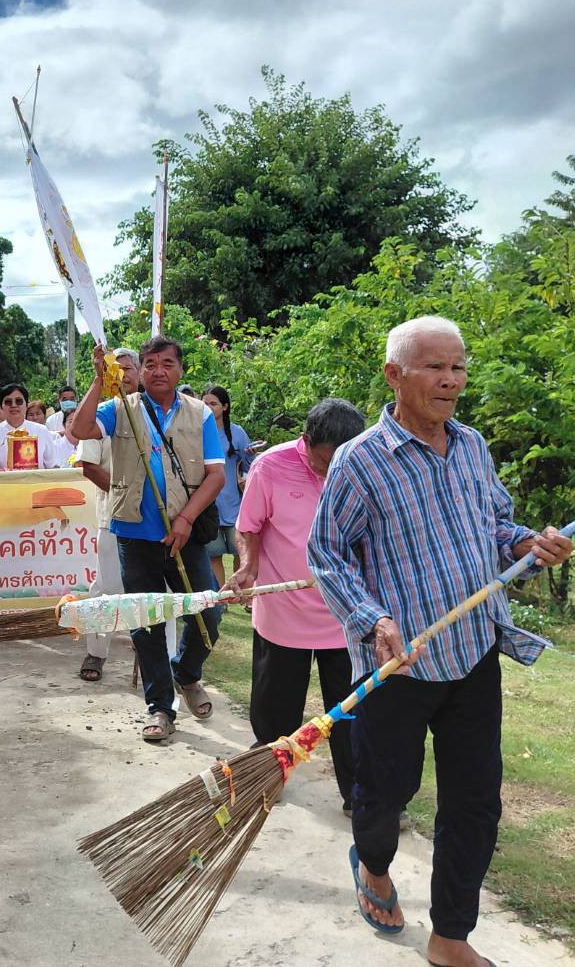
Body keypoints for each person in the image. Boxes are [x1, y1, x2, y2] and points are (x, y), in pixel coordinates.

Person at [308, 316, 574, 966]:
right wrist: (373, 620)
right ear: (394, 375)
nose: (450, 379)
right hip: (398, 666)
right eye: (434, 366)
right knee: (383, 798)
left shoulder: (472, 446)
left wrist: (529, 548)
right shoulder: (359, 460)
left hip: (474, 655)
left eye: (457, 366)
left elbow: (497, 531)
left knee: (475, 801)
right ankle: (371, 866)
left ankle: (449, 936)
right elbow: (326, 553)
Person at [71, 337, 226, 742]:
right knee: (146, 621)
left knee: (208, 610)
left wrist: (186, 520)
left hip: (184, 535)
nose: (159, 370)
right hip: (134, 532)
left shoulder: (199, 414)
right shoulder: (120, 408)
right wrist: (97, 380)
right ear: (137, 370)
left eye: (167, 363)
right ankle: (160, 708)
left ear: (180, 369)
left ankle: (187, 674)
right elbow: (80, 430)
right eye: (151, 364)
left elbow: (216, 475)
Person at [225, 398, 367, 815]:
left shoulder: (364, 467)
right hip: (283, 610)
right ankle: (267, 777)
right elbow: (248, 528)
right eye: (325, 461)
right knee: (274, 710)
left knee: (352, 712)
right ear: (306, 441)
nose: (332, 471)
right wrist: (249, 567)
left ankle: (360, 795)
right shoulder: (270, 466)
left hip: (346, 613)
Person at [75, 348, 139, 682]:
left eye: (131, 368)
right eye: (119, 369)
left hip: (153, 520)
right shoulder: (103, 413)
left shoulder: (153, 411)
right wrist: (124, 495)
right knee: (109, 587)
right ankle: (96, 651)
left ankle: (157, 654)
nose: (125, 374)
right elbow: (88, 465)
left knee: (154, 588)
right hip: (113, 517)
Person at [201, 385, 254, 585]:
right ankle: (219, 600)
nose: (208, 407)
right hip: (207, 504)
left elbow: (250, 466)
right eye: (204, 403)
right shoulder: (196, 431)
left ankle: (239, 594)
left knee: (240, 551)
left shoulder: (237, 433)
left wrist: (248, 454)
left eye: (213, 404)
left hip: (234, 503)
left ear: (225, 407)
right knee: (213, 555)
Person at [0, 383, 60, 471]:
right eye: (8, 402)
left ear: (26, 405)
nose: (13, 405)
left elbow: (53, 467)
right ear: (1, 407)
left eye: (18, 401)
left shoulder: (42, 431)